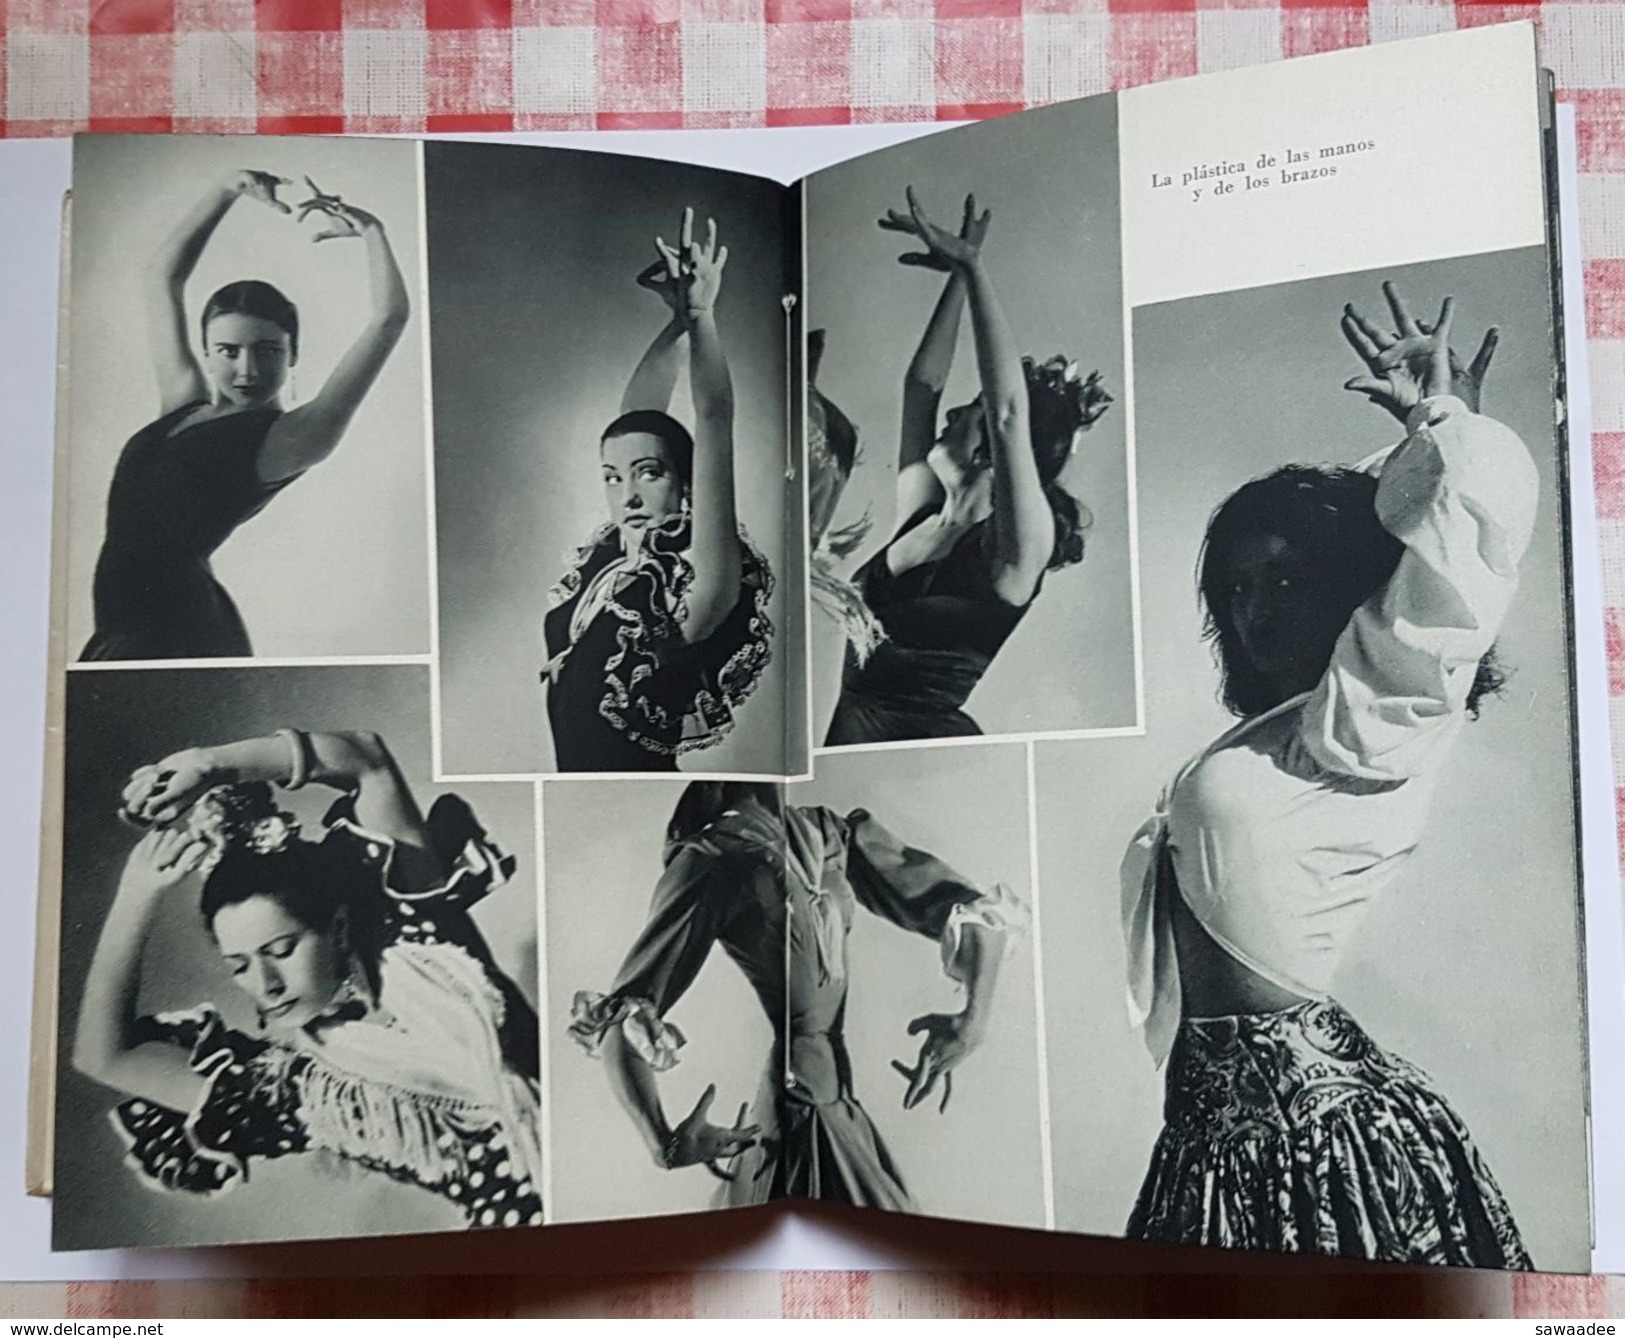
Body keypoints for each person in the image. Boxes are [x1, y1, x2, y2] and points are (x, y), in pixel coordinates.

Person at [1119, 281, 1533, 1266]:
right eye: (1236, 588)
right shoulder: (1278, 736)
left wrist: (1441, 425)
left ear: (1347, 590)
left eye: (1287, 580)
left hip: (1329, 1148)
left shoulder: (1373, 720)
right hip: (1207, 1155)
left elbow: (1452, 567)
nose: (1255, 610)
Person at [73, 729, 542, 1231]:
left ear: (338, 928)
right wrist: (135, 893)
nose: (266, 984)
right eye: (239, 966)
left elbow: (368, 763)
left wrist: (209, 763)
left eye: (281, 950)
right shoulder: (303, 1092)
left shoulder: (421, 943)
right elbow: (104, 1056)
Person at [568, 782, 1023, 1207]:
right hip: (797, 1115)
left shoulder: (828, 833)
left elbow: (972, 910)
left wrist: (973, 1022)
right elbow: (624, 1015)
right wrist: (663, 1143)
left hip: (839, 1102)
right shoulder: (710, 859)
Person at [81, 169, 410, 661]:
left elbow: (388, 319)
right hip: (121, 628)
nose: (247, 368)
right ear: (207, 351)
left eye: (269, 351)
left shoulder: (294, 438)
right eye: (229, 350)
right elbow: (160, 278)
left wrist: (372, 232)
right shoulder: (182, 403)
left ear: (293, 353)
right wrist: (225, 190)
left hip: (175, 633)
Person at [823, 190, 1111, 745]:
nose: (951, 411)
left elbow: (1007, 415)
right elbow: (920, 386)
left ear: (994, 452)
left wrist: (978, 270)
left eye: (967, 411)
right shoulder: (924, 514)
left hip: (920, 752)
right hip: (844, 731)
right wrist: (957, 273)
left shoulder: (1016, 551)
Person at [541, 209, 773, 772]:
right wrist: (675, 322)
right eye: (613, 478)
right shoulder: (615, 564)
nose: (628, 496)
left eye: (650, 474)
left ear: (687, 482)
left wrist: (701, 315)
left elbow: (714, 419)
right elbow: (638, 419)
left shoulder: (699, 581)